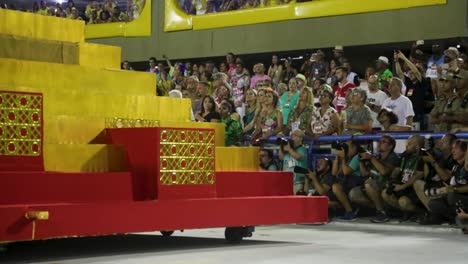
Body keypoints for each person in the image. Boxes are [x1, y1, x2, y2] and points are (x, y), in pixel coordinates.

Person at [349, 135, 401, 223]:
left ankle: (381, 213)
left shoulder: (393, 157)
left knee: (369, 183)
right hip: (376, 186)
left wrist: (371, 158)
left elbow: (384, 172)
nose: (379, 143)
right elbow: (365, 173)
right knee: (353, 194)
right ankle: (384, 209)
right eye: (379, 141)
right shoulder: (377, 157)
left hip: (388, 186)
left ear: (390, 146)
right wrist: (361, 162)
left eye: (383, 142)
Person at [382, 135, 425, 222]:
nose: (406, 146)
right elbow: (397, 170)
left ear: (417, 146)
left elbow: (419, 175)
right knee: (385, 193)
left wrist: (402, 186)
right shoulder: (405, 154)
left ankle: (422, 213)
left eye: (409, 144)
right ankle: (405, 212)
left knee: (403, 202)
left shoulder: (422, 157)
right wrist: (391, 181)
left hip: (413, 189)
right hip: (402, 186)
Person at [426, 140, 468, 225]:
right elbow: (451, 185)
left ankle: (462, 217)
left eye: (456, 148)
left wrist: (453, 189)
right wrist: (445, 190)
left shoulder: (466, 166)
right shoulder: (456, 167)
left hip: (464, 197)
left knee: (451, 195)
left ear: (465, 151)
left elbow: (455, 189)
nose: (452, 151)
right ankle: (454, 217)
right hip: (457, 199)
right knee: (432, 203)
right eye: (452, 148)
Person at [331, 140, 364, 221]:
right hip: (348, 182)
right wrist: (337, 157)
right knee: (335, 186)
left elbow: (346, 171)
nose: (345, 149)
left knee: (336, 187)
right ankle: (349, 211)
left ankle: (350, 212)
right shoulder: (347, 158)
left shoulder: (357, 157)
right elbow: (334, 173)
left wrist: (343, 159)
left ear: (354, 148)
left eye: (346, 147)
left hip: (357, 181)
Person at [278, 129, 308, 194]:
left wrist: (289, 149)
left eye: (294, 135)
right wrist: (281, 144)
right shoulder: (289, 150)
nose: (292, 138)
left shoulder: (302, 149)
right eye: (291, 135)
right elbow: (281, 156)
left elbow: (298, 157)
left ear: (301, 138)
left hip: (298, 182)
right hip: (286, 182)